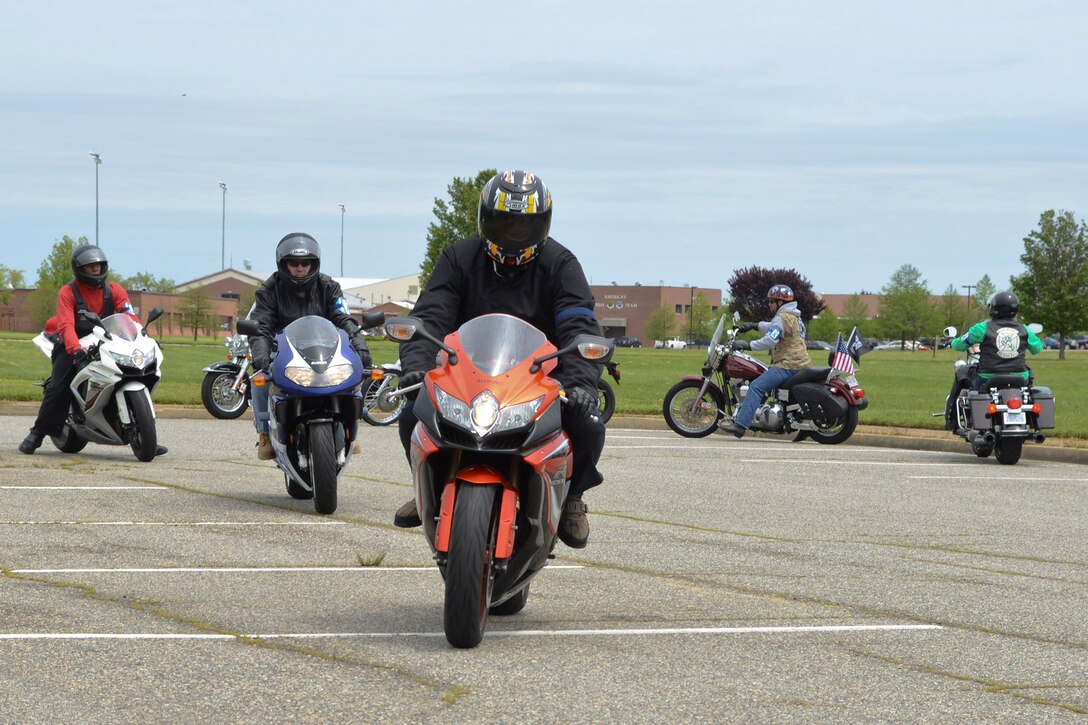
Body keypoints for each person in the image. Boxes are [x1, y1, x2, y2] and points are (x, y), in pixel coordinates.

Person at [392, 169, 604, 549]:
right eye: (503, 222)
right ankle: (429, 486)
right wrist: (417, 369)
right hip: (467, 373)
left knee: (588, 423)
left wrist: (580, 382)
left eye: (524, 225)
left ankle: (572, 498)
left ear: (543, 224)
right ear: (484, 219)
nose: (513, 233)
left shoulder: (560, 264)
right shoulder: (459, 258)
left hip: (539, 377)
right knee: (413, 412)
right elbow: (431, 316)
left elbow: (579, 324)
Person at [19, 244, 167, 457]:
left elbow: (129, 317)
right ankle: (37, 433)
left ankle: (145, 435)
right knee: (58, 386)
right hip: (74, 343)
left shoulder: (114, 289)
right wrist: (74, 349)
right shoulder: (68, 292)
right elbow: (66, 326)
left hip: (106, 339)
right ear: (79, 269)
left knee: (139, 371)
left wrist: (143, 338)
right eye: (90, 266)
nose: (96, 269)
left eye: (98, 265)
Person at [247, 233, 373, 459]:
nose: (299, 268)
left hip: (326, 350)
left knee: (354, 371)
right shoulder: (269, 290)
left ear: (314, 264)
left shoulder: (329, 286)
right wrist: (260, 353)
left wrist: (359, 344)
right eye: (293, 263)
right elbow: (262, 325)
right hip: (285, 351)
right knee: (259, 378)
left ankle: (350, 424)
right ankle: (264, 432)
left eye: (305, 263)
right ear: (283, 264)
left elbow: (343, 318)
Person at [722, 284, 812, 438]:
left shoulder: (782, 317)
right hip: (800, 363)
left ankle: (740, 425)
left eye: (771, 301)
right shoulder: (794, 317)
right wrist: (754, 326)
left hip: (787, 364)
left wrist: (747, 345)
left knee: (756, 387)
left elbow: (770, 340)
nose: (769, 304)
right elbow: (772, 327)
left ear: (780, 303)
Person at [945, 290, 1042, 431]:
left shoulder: (982, 328)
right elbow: (1037, 348)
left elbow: (959, 344)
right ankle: (1029, 414)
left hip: (986, 377)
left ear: (993, 308)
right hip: (1019, 378)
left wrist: (952, 342)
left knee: (961, 372)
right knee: (1029, 374)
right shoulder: (1024, 329)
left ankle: (951, 420)